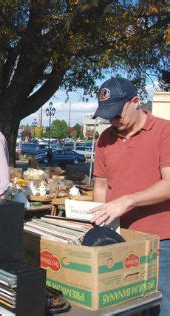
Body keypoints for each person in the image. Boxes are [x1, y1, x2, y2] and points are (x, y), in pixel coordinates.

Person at [90, 77, 170, 315]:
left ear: (135, 102)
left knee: (163, 306)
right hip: (119, 240)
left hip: (161, 241)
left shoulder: (164, 131)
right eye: (108, 115)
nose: (113, 120)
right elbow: (101, 186)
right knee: (120, 308)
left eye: (117, 113)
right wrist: (98, 222)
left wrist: (127, 200)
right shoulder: (105, 139)